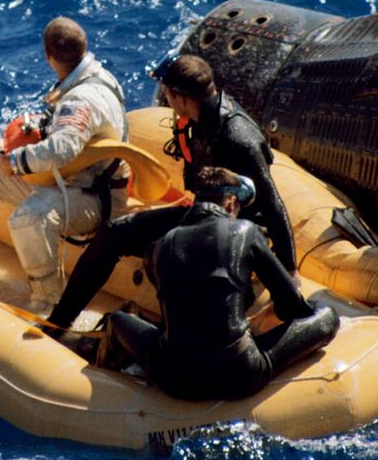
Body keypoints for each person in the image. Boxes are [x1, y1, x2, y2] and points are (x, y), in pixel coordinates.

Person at [43, 52, 295, 332]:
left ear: (183, 98)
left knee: (166, 255)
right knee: (114, 233)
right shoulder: (196, 119)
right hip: (205, 215)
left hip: (238, 232)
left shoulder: (239, 138)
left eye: (167, 93)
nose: (165, 98)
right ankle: (59, 321)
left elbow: (272, 204)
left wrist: (288, 271)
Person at [93, 167, 339, 400]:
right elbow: (293, 307)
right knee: (326, 315)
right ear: (231, 203)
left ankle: (112, 388)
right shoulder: (246, 231)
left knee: (116, 320)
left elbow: (177, 313)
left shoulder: (159, 247)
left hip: (175, 377)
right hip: (239, 373)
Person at [0, 17, 128, 310]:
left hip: (94, 198)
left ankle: (48, 303)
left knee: (29, 217)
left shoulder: (81, 98)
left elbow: (63, 148)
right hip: (75, 183)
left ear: (48, 55)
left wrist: (17, 161)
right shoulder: (99, 77)